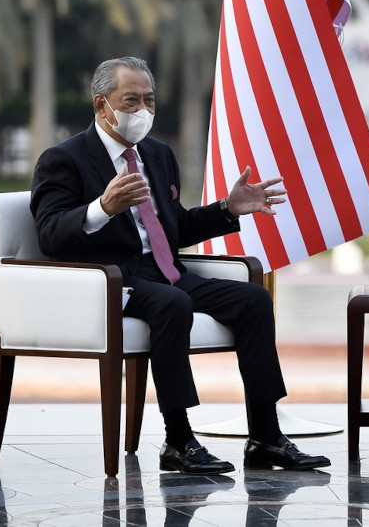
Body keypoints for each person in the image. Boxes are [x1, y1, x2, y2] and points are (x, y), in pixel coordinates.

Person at [31, 57, 330, 474]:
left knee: (254, 299)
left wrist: (228, 208)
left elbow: (173, 228)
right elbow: (49, 234)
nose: (143, 111)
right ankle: (179, 440)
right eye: (130, 101)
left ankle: (265, 436)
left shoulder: (157, 155)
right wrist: (102, 207)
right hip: (110, 281)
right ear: (102, 106)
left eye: (149, 101)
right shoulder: (64, 159)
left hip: (167, 273)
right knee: (171, 304)